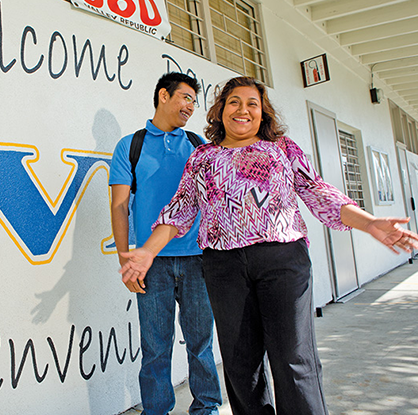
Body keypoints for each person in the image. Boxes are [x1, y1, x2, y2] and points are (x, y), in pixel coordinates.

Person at [119, 76, 418, 415]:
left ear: (263, 114)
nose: (242, 110)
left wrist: (369, 223)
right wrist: (147, 251)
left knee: (294, 359)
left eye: (252, 104)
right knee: (240, 363)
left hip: (282, 262)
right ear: (220, 111)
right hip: (223, 267)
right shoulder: (203, 157)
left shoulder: (282, 150)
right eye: (233, 102)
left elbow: (318, 193)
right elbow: (181, 207)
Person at [109, 72, 222, 415]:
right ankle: (156, 411)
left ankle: (206, 408)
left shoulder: (198, 146)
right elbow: (119, 206)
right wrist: (126, 260)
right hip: (152, 263)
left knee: (201, 345)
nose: (190, 106)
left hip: (198, 258)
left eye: (193, 100)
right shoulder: (131, 146)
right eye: (185, 97)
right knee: (155, 347)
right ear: (163, 95)